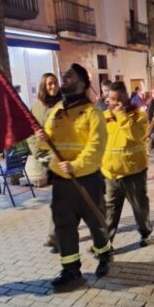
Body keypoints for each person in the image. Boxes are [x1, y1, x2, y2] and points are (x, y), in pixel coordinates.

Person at [41, 63, 111, 286]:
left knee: (96, 224)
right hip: (62, 182)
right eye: (64, 75)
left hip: (87, 180)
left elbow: (96, 147)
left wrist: (76, 165)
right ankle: (71, 269)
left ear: (81, 84)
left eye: (69, 76)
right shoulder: (57, 111)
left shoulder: (93, 113)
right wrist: (42, 139)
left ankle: (105, 254)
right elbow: (48, 142)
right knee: (64, 226)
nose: (64, 77)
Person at [102, 81, 152, 247]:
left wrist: (122, 116)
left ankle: (145, 232)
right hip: (111, 173)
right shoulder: (104, 117)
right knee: (110, 211)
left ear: (125, 99)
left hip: (134, 171)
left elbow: (136, 135)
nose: (113, 103)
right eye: (110, 99)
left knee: (139, 207)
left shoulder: (138, 115)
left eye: (117, 99)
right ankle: (106, 243)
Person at [28, 73, 62, 249]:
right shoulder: (36, 107)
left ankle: (55, 235)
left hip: (63, 158)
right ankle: (56, 233)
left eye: (55, 83)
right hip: (46, 158)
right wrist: (37, 152)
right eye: (49, 84)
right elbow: (30, 131)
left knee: (60, 198)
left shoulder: (64, 104)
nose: (53, 86)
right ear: (43, 86)